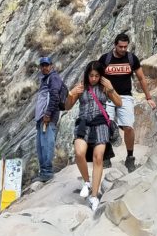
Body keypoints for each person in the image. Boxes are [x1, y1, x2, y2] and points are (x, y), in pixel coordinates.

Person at [65, 61, 122, 212]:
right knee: (79, 152)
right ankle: (87, 182)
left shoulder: (105, 86)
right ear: (87, 74)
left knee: (98, 158)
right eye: (91, 75)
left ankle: (94, 196)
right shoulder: (81, 87)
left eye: (97, 75)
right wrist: (71, 94)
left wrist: (111, 89)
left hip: (101, 123)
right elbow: (67, 106)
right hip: (83, 124)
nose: (94, 78)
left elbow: (119, 102)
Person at [99, 33, 156, 172]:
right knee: (105, 125)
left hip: (125, 97)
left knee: (129, 127)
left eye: (125, 46)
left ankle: (130, 157)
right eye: (120, 46)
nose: (123, 49)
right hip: (108, 97)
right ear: (115, 45)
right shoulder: (105, 59)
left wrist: (148, 97)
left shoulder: (131, 59)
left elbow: (141, 78)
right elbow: (96, 77)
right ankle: (106, 155)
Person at [34, 55, 65, 183]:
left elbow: (55, 97)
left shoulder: (54, 78)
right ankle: (43, 171)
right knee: (40, 145)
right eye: (43, 65)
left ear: (51, 65)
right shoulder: (45, 80)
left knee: (46, 145)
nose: (45, 67)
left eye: (47, 65)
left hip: (48, 118)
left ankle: (47, 172)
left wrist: (47, 114)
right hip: (41, 118)